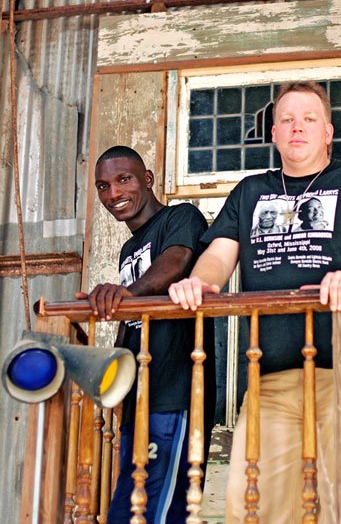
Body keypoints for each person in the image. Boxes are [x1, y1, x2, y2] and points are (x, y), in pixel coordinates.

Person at [168, 81, 341, 524]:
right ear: (274, 134)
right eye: (287, 120)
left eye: (309, 119)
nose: (298, 128)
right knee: (258, 506)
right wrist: (198, 283)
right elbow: (219, 255)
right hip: (271, 376)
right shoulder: (250, 191)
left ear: (328, 132)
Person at [76, 145, 215, 524]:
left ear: (147, 180)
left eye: (124, 180)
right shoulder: (128, 249)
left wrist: (124, 294)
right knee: (131, 510)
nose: (113, 193)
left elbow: (177, 262)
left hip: (175, 394)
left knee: (147, 513)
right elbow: (131, 321)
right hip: (138, 403)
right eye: (103, 186)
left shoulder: (180, 217)